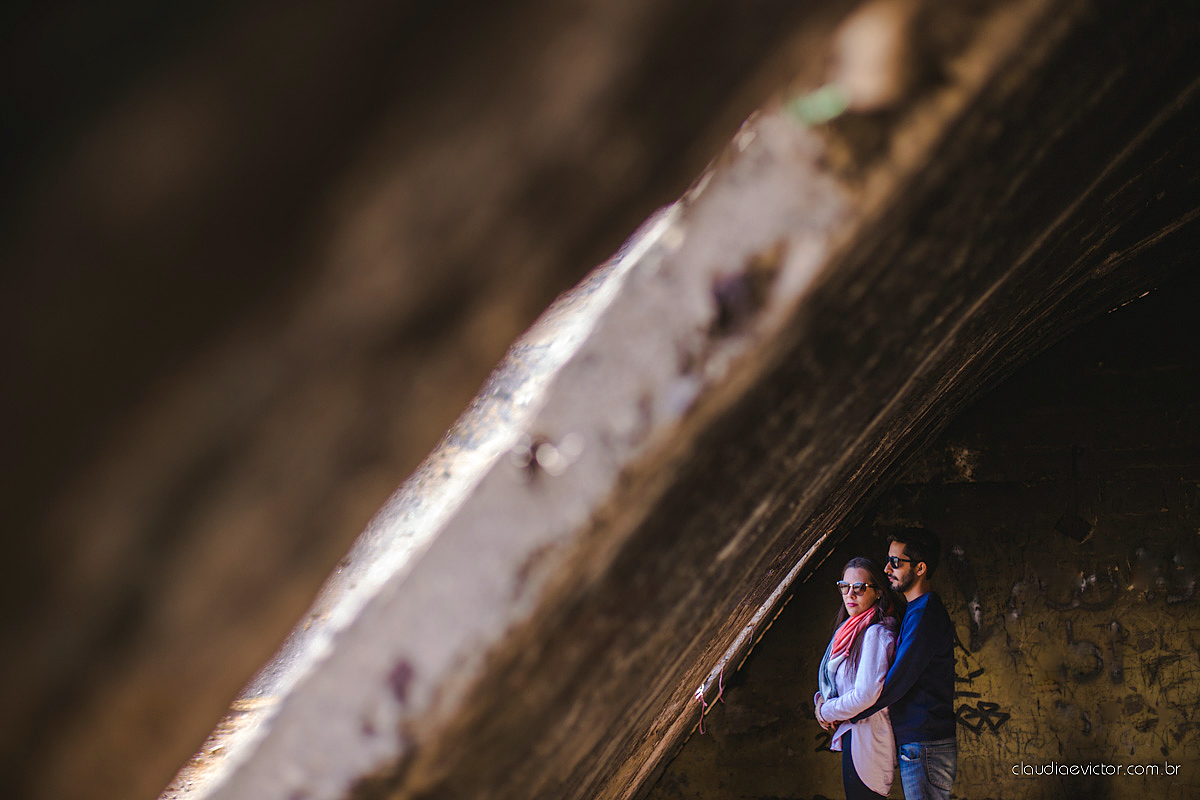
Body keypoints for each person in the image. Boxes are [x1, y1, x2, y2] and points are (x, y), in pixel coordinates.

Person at [829, 527, 957, 800]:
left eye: (896, 562)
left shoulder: (926, 612)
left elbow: (896, 683)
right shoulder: (916, 610)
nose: (887, 568)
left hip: (926, 741)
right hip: (920, 740)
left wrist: (845, 714)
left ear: (920, 568)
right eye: (888, 560)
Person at [814, 557, 902, 800]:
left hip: (868, 743)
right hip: (855, 736)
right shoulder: (850, 632)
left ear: (878, 592)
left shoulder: (875, 633)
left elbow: (865, 695)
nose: (850, 594)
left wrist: (826, 711)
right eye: (844, 587)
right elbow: (841, 686)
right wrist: (821, 703)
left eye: (860, 588)